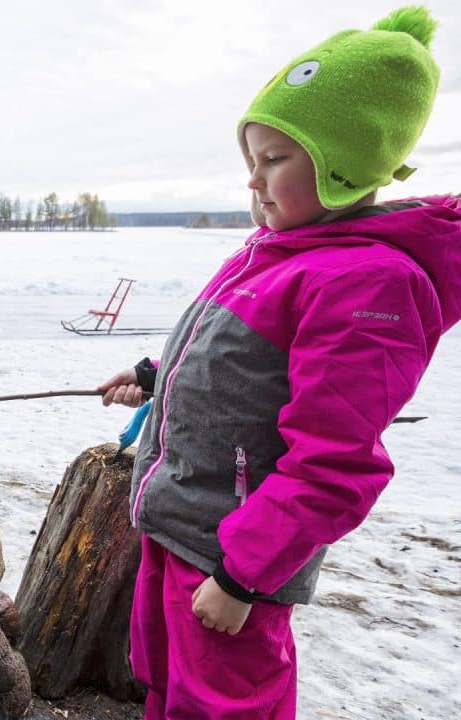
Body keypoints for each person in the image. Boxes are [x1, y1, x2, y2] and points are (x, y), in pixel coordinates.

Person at [98, 6, 459, 718]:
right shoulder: (284, 249)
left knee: (223, 704)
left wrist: (244, 577)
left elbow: (335, 463)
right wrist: (154, 374)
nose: (252, 181)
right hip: (181, 522)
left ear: (342, 167)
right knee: (164, 684)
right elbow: (240, 357)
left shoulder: (367, 284)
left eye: (274, 161)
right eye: (251, 161)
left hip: (233, 555)